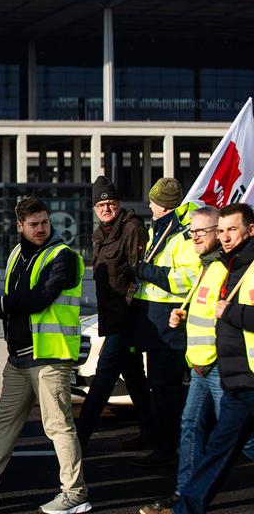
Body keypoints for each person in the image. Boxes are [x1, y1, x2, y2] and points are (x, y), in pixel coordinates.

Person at [0, 196, 91, 514]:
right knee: (5, 422)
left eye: (44, 222)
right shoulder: (16, 254)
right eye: (33, 224)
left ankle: (76, 492)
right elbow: (14, 300)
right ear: (20, 226)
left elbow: (38, 299)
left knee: (58, 427)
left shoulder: (62, 256)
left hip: (50, 356)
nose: (40, 228)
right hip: (20, 356)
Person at [139, 203, 254, 514]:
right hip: (205, 366)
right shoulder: (211, 265)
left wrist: (227, 316)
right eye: (192, 232)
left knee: (234, 441)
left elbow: (227, 314)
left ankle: (187, 499)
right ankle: (185, 496)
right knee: (196, 429)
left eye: (202, 232)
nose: (194, 238)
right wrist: (184, 314)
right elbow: (208, 312)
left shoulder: (229, 269)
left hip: (223, 368)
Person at [75, 175, 152, 450]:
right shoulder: (101, 234)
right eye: (100, 205)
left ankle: (79, 438)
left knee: (103, 377)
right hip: (112, 317)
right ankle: (152, 432)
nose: (105, 208)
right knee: (134, 378)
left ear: (118, 204)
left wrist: (126, 314)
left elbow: (137, 275)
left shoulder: (131, 228)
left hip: (125, 318)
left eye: (110, 203)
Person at [129, 178, 200, 466]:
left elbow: (188, 279)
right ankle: (163, 444)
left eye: (153, 201)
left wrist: (146, 272)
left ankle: (166, 450)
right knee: (159, 387)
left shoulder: (181, 235)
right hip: (155, 323)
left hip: (168, 325)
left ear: (162, 204)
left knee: (166, 389)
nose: (149, 205)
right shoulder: (162, 229)